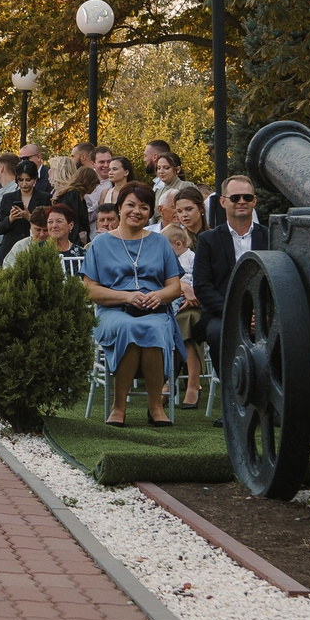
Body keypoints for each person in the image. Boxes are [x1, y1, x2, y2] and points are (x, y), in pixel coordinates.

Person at [82, 182, 184, 429]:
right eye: (131, 205)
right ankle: (119, 406)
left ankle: (155, 406)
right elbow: (89, 289)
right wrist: (126, 297)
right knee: (127, 326)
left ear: (151, 212)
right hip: (113, 311)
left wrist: (158, 296)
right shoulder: (100, 244)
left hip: (154, 310)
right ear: (119, 208)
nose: (136, 211)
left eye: (144, 207)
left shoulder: (160, 243)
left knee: (154, 328)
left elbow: (175, 286)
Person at [194, 173, 262, 318]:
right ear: (223, 202)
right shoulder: (208, 240)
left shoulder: (270, 237)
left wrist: (264, 314)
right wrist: (236, 313)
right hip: (222, 315)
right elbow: (202, 286)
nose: (242, 201)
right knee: (217, 335)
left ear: (254, 201)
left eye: (247, 197)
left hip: (263, 315)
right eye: (235, 197)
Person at [164, 220, 204, 411]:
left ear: (178, 244)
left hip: (194, 306)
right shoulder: (167, 260)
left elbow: (201, 281)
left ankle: (192, 384)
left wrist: (191, 294)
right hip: (171, 304)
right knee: (169, 324)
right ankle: (167, 381)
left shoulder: (192, 258)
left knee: (186, 323)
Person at [5, 198, 84, 273]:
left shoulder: (81, 253)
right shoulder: (34, 251)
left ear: (70, 225)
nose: (54, 226)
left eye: (59, 221)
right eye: (50, 222)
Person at [0, 159, 40, 254]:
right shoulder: (8, 198)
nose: (24, 184)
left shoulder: (45, 198)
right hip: (11, 248)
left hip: (35, 247)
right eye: (20, 180)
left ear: (35, 179)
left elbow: (46, 225)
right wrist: (10, 219)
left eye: (28, 180)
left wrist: (29, 217)